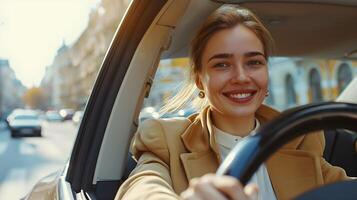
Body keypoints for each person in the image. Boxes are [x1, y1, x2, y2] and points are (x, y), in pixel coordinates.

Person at [115, 5, 349, 200]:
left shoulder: (299, 139)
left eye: (254, 62)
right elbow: (141, 188)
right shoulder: (166, 141)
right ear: (199, 79)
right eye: (222, 65)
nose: (241, 77)